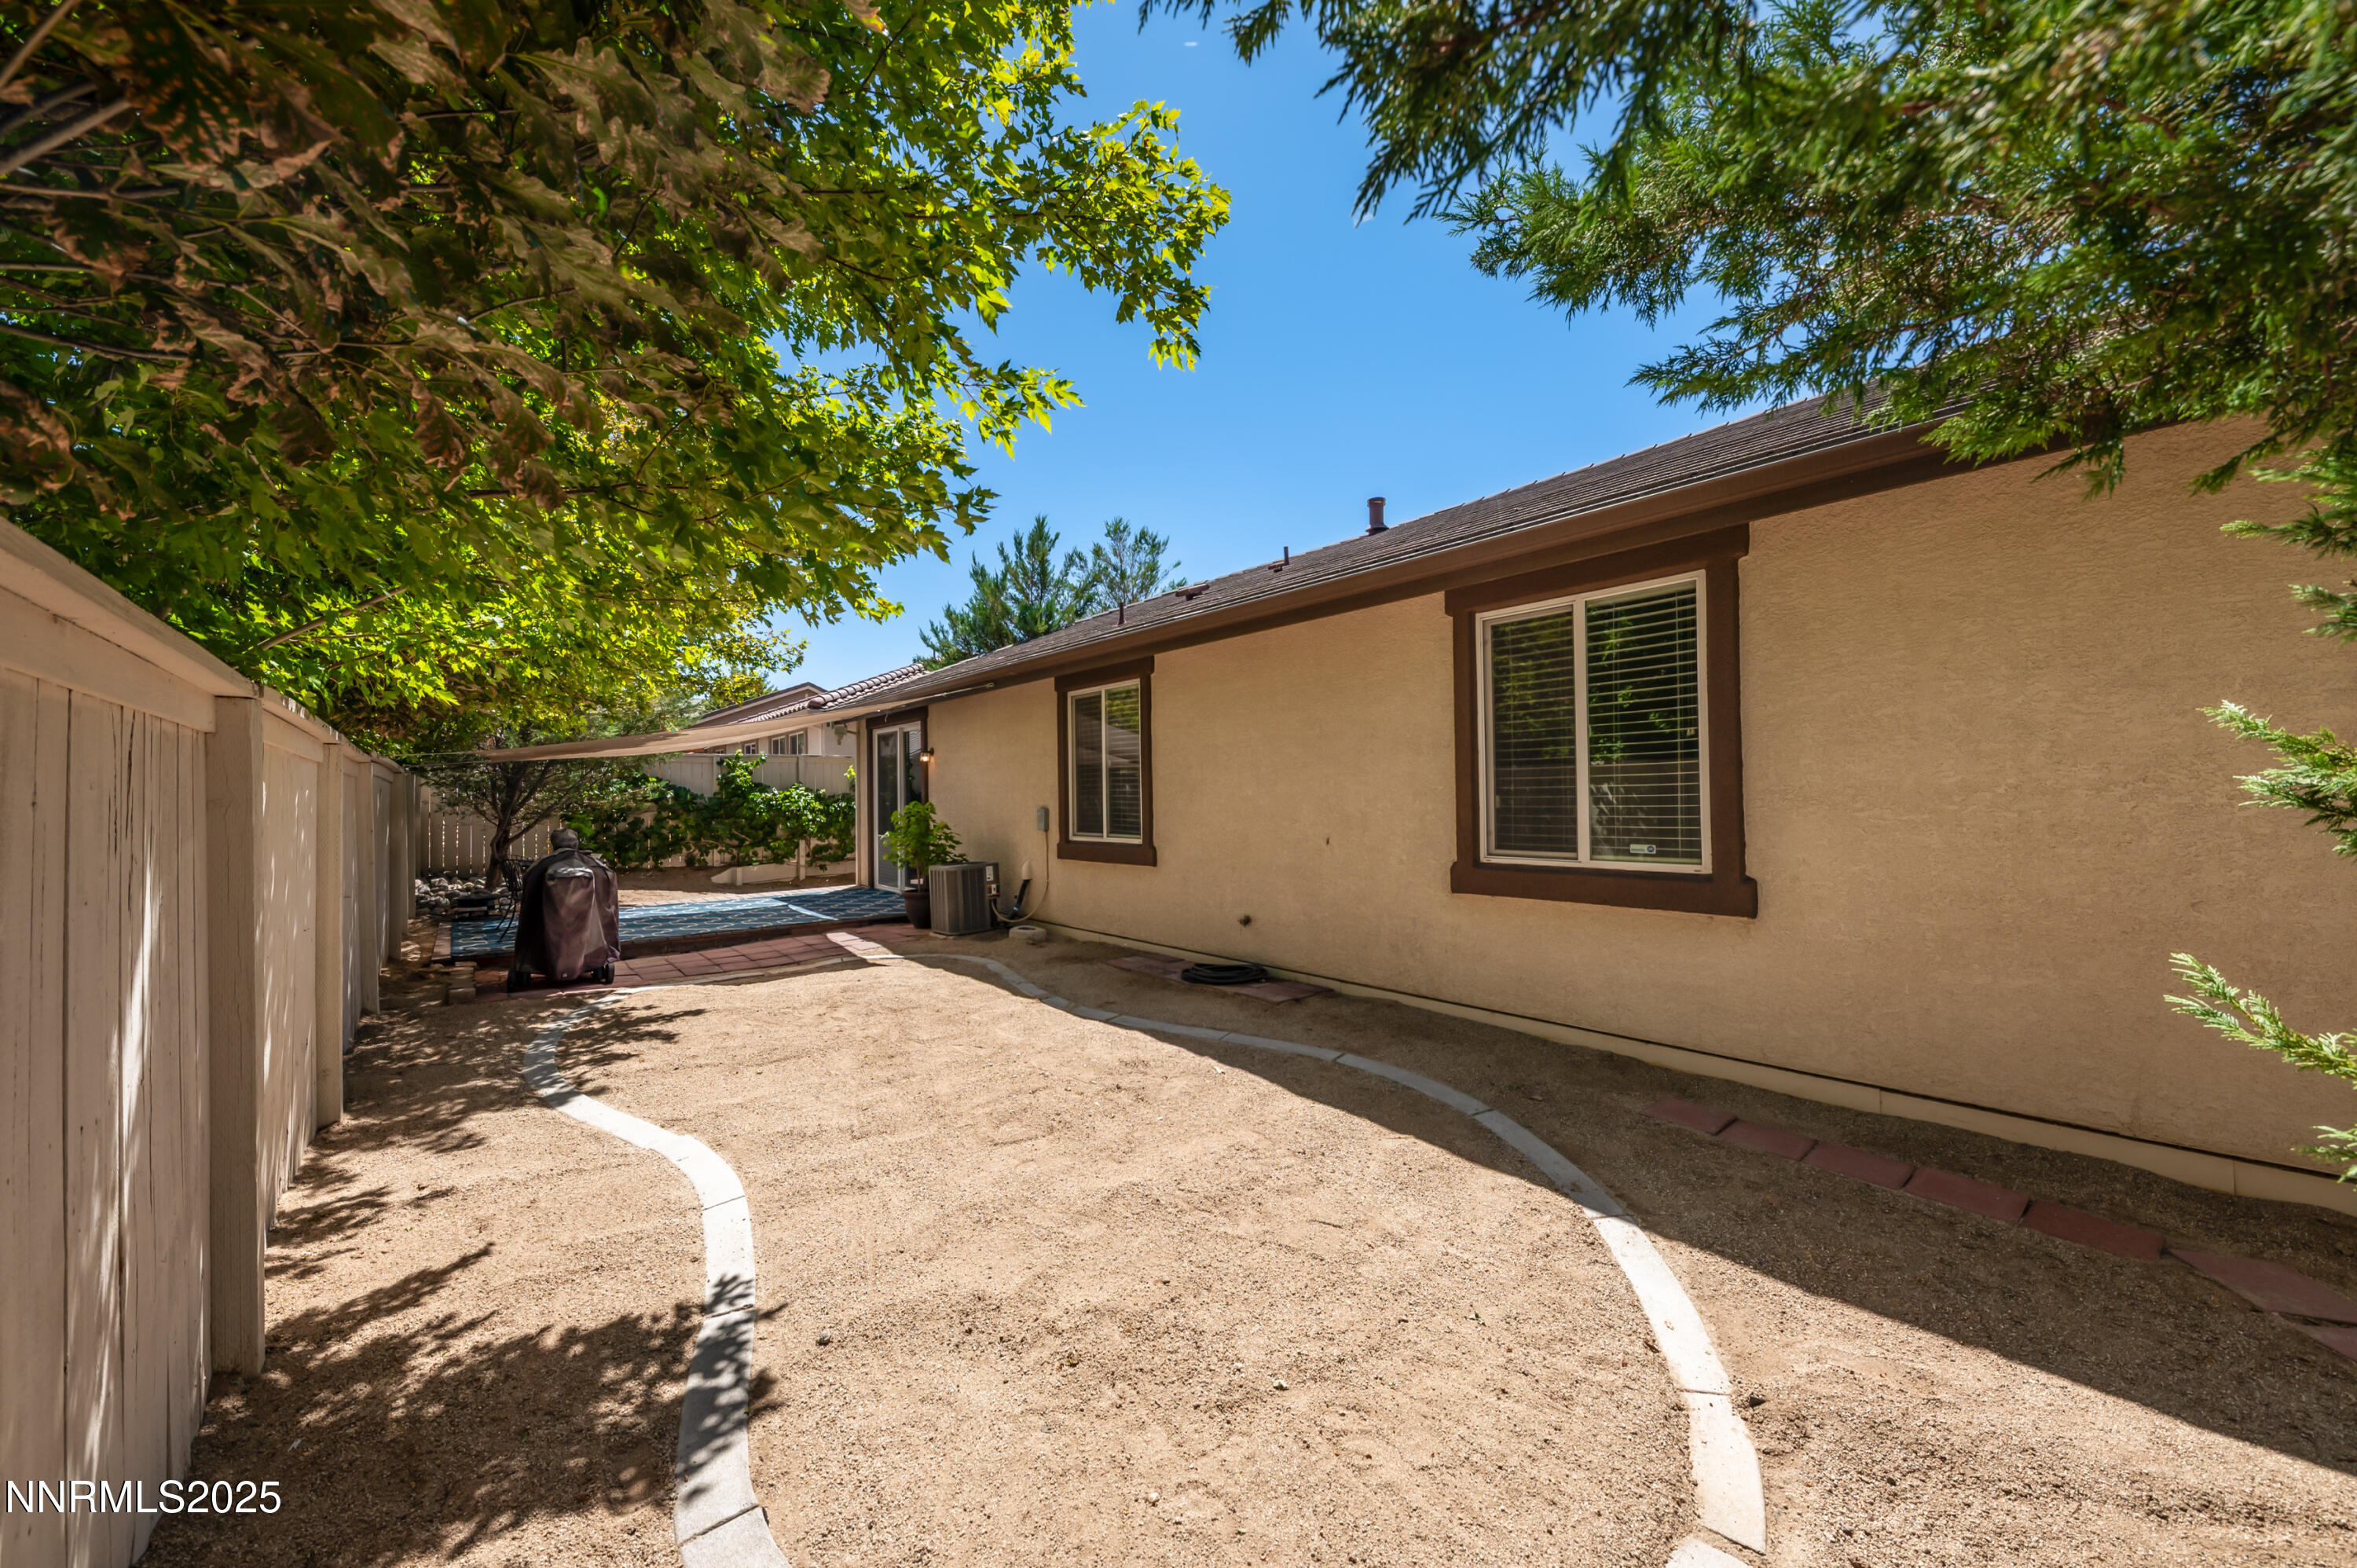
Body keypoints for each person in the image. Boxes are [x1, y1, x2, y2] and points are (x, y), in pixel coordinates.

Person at [508, 828, 621, 990]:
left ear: (554, 843)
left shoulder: (541, 866)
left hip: (545, 938)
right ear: (576, 842)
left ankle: (533, 966)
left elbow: (528, 899)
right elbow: (609, 894)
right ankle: (592, 962)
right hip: (588, 933)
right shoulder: (595, 866)